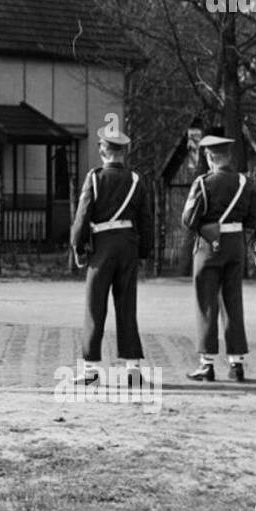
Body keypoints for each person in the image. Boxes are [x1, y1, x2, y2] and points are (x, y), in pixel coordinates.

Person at [69, 126, 153, 384]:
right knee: (127, 306)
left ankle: (91, 370)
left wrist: (78, 246)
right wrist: (143, 252)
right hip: (127, 245)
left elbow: (83, 217)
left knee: (95, 307)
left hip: (102, 246)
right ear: (123, 152)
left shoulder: (94, 179)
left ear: (102, 150)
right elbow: (146, 220)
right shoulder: (137, 180)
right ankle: (133, 369)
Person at [181, 133, 256, 381]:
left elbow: (188, 220)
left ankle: (206, 364)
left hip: (209, 246)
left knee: (206, 302)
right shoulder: (243, 182)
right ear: (228, 156)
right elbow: (255, 219)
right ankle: (236, 364)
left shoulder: (203, 183)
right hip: (235, 245)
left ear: (209, 157)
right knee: (233, 301)